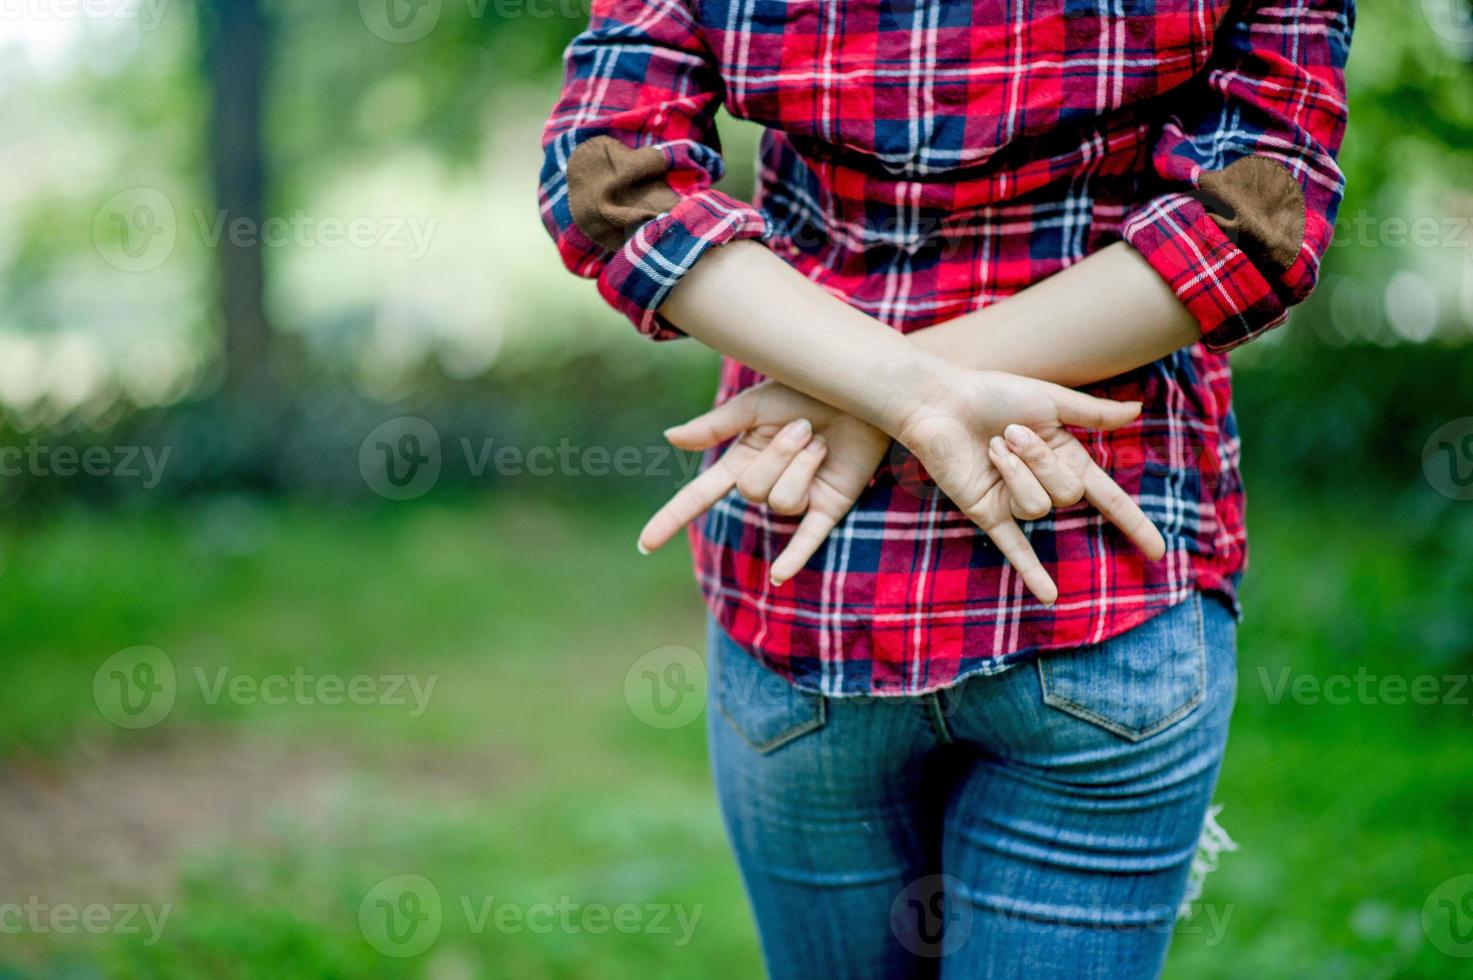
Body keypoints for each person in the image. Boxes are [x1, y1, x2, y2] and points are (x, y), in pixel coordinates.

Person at [538, 0, 1351, 975]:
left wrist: (878, 395)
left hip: (809, 567)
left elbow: (606, 178)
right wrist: (915, 392)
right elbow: (1259, 211)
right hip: (1097, 560)